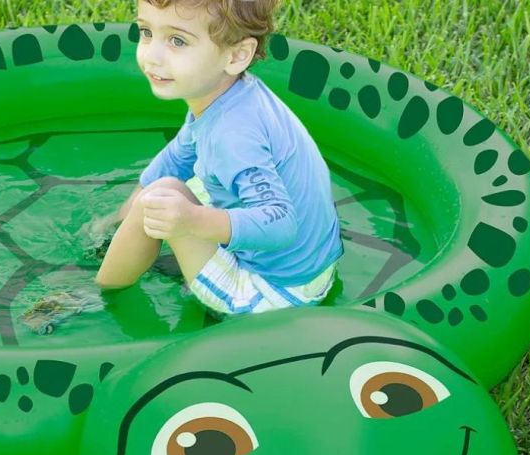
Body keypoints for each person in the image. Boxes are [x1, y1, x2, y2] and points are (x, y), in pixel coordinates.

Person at [94, 0, 344, 315]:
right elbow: (176, 156)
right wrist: (117, 220)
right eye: (146, 31)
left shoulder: (234, 135)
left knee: (157, 202)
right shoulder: (227, 96)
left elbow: (281, 224)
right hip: (307, 267)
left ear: (237, 55)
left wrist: (191, 220)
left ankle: (97, 297)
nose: (151, 56)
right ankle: (120, 244)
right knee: (171, 189)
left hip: (275, 296)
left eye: (177, 40)